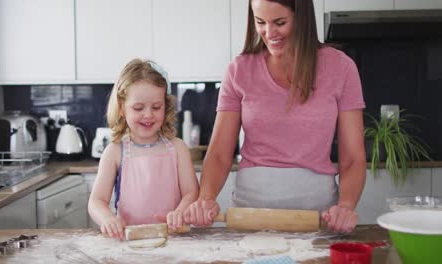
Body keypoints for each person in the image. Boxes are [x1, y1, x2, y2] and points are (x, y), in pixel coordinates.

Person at [184, 0, 366, 233]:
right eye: (260, 22)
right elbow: (219, 153)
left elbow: (352, 157)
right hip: (251, 214)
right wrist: (206, 197)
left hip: (317, 215)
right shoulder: (239, 70)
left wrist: (346, 206)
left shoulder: (341, 68)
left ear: (302, 19)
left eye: (280, 22)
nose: (269, 34)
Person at [88, 59, 199, 240]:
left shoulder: (178, 148)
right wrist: (107, 219)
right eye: (138, 108)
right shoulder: (115, 152)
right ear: (122, 107)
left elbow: (192, 192)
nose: (148, 114)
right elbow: (96, 201)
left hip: (174, 240)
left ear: (166, 105)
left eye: (156, 107)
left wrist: (180, 212)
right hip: (130, 241)